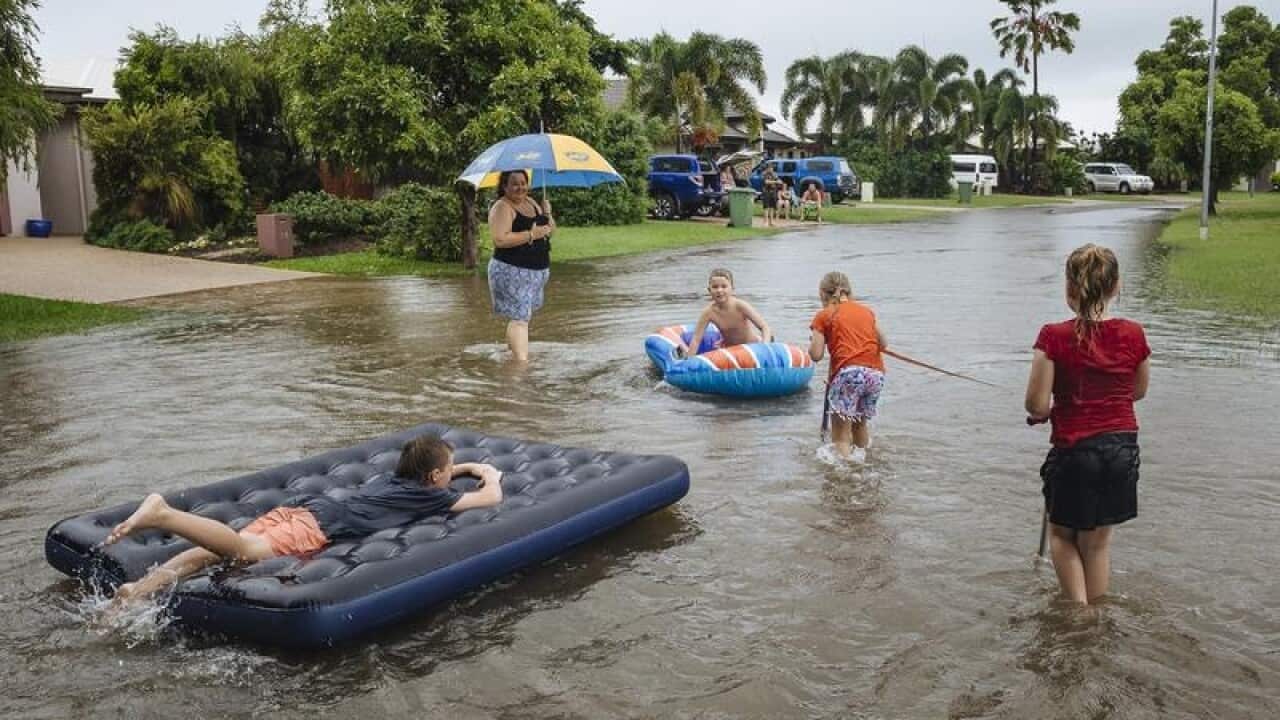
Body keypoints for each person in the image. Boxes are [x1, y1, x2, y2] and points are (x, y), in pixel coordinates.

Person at [105, 435, 504, 602]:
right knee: (243, 551)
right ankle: (164, 513)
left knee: (215, 552)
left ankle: (139, 589)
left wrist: (461, 464)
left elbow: (441, 472)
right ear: (435, 478)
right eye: (449, 470)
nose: (453, 474)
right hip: (318, 527)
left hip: (308, 506)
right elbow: (490, 497)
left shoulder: (393, 478)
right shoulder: (429, 499)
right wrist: (487, 473)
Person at [1025, 243, 1150, 605]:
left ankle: (1077, 619)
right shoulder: (1134, 334)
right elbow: (1136, 392)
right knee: (1096, 544)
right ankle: (1096, 615)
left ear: (1069, 290)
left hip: (1076, 450)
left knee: (1062, 537)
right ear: (1116, 287)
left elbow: (1036, 403)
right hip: (1122, 450)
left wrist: (1044, 411)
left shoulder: (1053, 336)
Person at [809, 271, 886, 462]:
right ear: (849, 292)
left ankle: (846, 474)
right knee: (860, 424)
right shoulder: (866, 311)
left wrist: (815, 340)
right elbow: (883, 343)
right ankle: (865, 462)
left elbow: (816, 355)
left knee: (841, 434)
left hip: (849, 374)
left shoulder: (824, 315)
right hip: (875, 375)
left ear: (822, 293)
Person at [488, 169, 556, 362]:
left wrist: (547, 213)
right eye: (515, 183)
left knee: (520, 317)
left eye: (523, 183)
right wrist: (531, 235)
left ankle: (512, 356)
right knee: (520, 319)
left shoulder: (533, 203)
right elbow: (500, 239)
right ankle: (520, 366)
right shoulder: (502, 207)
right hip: (511, 270)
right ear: (504, 186)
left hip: (535, 273)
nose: (520, 187)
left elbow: (551, 231)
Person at [679, 268, 773, 357]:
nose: (719, 290)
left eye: (724, 286)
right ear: (709, 290)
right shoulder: (708, 312)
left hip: (750, 346)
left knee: (770, 337)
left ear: (732, 288)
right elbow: (696, 339)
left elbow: (764, 327)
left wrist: (764, 348)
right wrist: (690, 359)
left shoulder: (740, 306)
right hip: (729, 349)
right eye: (715, 287)